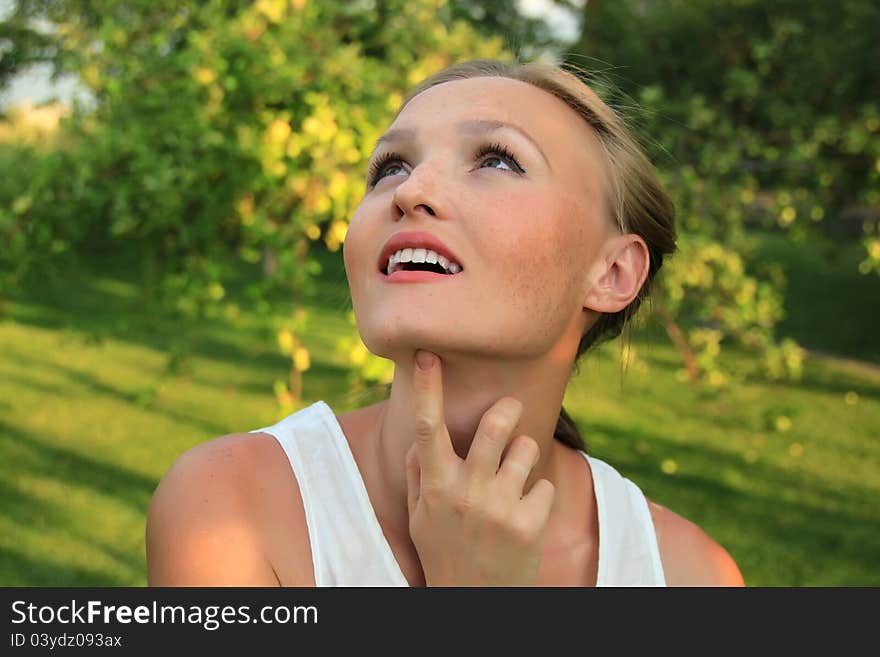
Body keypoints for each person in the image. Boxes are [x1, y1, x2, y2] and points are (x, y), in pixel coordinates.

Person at [146, 59, 745, 587]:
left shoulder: (691, 575)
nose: (412, 190)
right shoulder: (229, 509)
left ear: (613, 272)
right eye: (390, 167)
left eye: (498, 160)